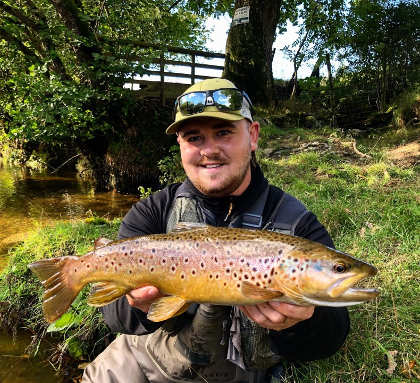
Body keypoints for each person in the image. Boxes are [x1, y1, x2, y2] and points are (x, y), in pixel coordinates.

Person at [82, 78, 350, 383]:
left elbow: (333, 335)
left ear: (252, 135)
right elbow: (116, 318)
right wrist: (138, 305)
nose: (209, 150)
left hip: (242, 372)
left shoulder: (295, 223)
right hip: (153, 361)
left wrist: (300, 322)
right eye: (194, 138)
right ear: (180, 146)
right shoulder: (153, 211)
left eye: (223, 133)